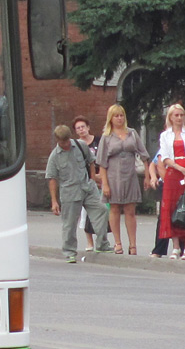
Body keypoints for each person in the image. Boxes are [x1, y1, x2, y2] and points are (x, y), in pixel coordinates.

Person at [46, 124, 113, 263]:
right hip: (70, 192)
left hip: (87, 188)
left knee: (101, 210)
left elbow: (91, 161)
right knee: (69, 224)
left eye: (67, 141)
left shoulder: (80, 145)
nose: (65, 144)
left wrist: (93, 180)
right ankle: (69, 252)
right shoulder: (55, 156)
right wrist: (54, 201)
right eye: (62, 142)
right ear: (57, 141)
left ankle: (102, 244)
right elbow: (52, 179)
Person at [96, 104, 150, 254]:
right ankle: (117, 243)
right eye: (116, 116)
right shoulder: (107, 137)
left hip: (130, 176)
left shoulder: (132, 133)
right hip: (113, 177)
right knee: (114, 209)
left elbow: (144, 155)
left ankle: (133, 245)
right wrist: (105, 184)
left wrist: (147, 176)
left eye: (121, 115)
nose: (119, 118)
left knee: (130, 210)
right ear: (111, 118)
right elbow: (101, 163)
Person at [157, 103, 185, 260]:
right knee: (172, 208)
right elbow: (165, 157)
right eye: (176, 115)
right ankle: (175, 246)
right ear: (170, 117)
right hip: (173, 173)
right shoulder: (165, 135)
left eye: (181, 115)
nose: (179, 118)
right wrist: (181, 169)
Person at [72, 115, 103, 251]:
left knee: (102, 211)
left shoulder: (98, 141)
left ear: (88, 127)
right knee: (85, 213)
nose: (81, 130)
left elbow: (103, 159)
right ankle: (89, 242)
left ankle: (102, 241)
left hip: (101, 179)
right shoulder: (75, 145)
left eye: (83, 127)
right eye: (78, 128)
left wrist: (100, 177)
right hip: (85, 182)